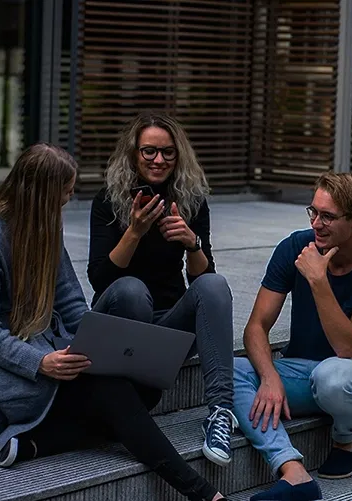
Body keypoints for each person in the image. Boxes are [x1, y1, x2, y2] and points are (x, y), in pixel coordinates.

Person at [0, 144, 228, 501]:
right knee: (113, 393)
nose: (67, 203)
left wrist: (97, 345)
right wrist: (40, 362)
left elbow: (71, 303)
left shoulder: (45, 227)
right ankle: (201, 492)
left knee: (146, 389)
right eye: (63, 195)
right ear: (41, 194)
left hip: (54, 352)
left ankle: (38, 441)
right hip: (10, 369)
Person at [233, 172, 352, 501]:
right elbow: (256, 326)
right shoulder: (294, 247)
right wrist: (269, 377)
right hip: (298, 370)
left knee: (333, 377)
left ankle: (347, 437)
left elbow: (347, 345)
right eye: (313, 212)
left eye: (327, 216)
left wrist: (318, 280)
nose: (316, 223)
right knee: (228, 371)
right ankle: (292, 472)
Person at [87, 111, 237, 466]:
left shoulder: (191, 199)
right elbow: (100, 280)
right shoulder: (108, 200)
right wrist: (135, 231)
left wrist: (192, 242)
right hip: (120, 320)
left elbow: (203, 281)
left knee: (215, 285)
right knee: (131, 290)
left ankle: (220, 414)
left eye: (168, 152)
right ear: (134, 153)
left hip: (167, 327)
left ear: (179, 155)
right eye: (149, 151)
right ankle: (131, 400)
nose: (158, 160)